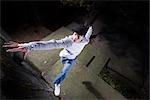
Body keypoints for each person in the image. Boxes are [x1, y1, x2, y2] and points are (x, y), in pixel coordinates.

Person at [3, 25, 93, 96]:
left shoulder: (86, 40)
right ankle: (57, 84)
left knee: (65, 70)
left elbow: (88, 33)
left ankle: (57, 82)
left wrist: (90, 27)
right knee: (65, 69)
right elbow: (51, 44)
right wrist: (28, 46)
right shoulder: (68, 41)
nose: (74, 37)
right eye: (74, 34)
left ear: (82, 37)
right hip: (66, 56)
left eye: (77, 36)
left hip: (73, 58)